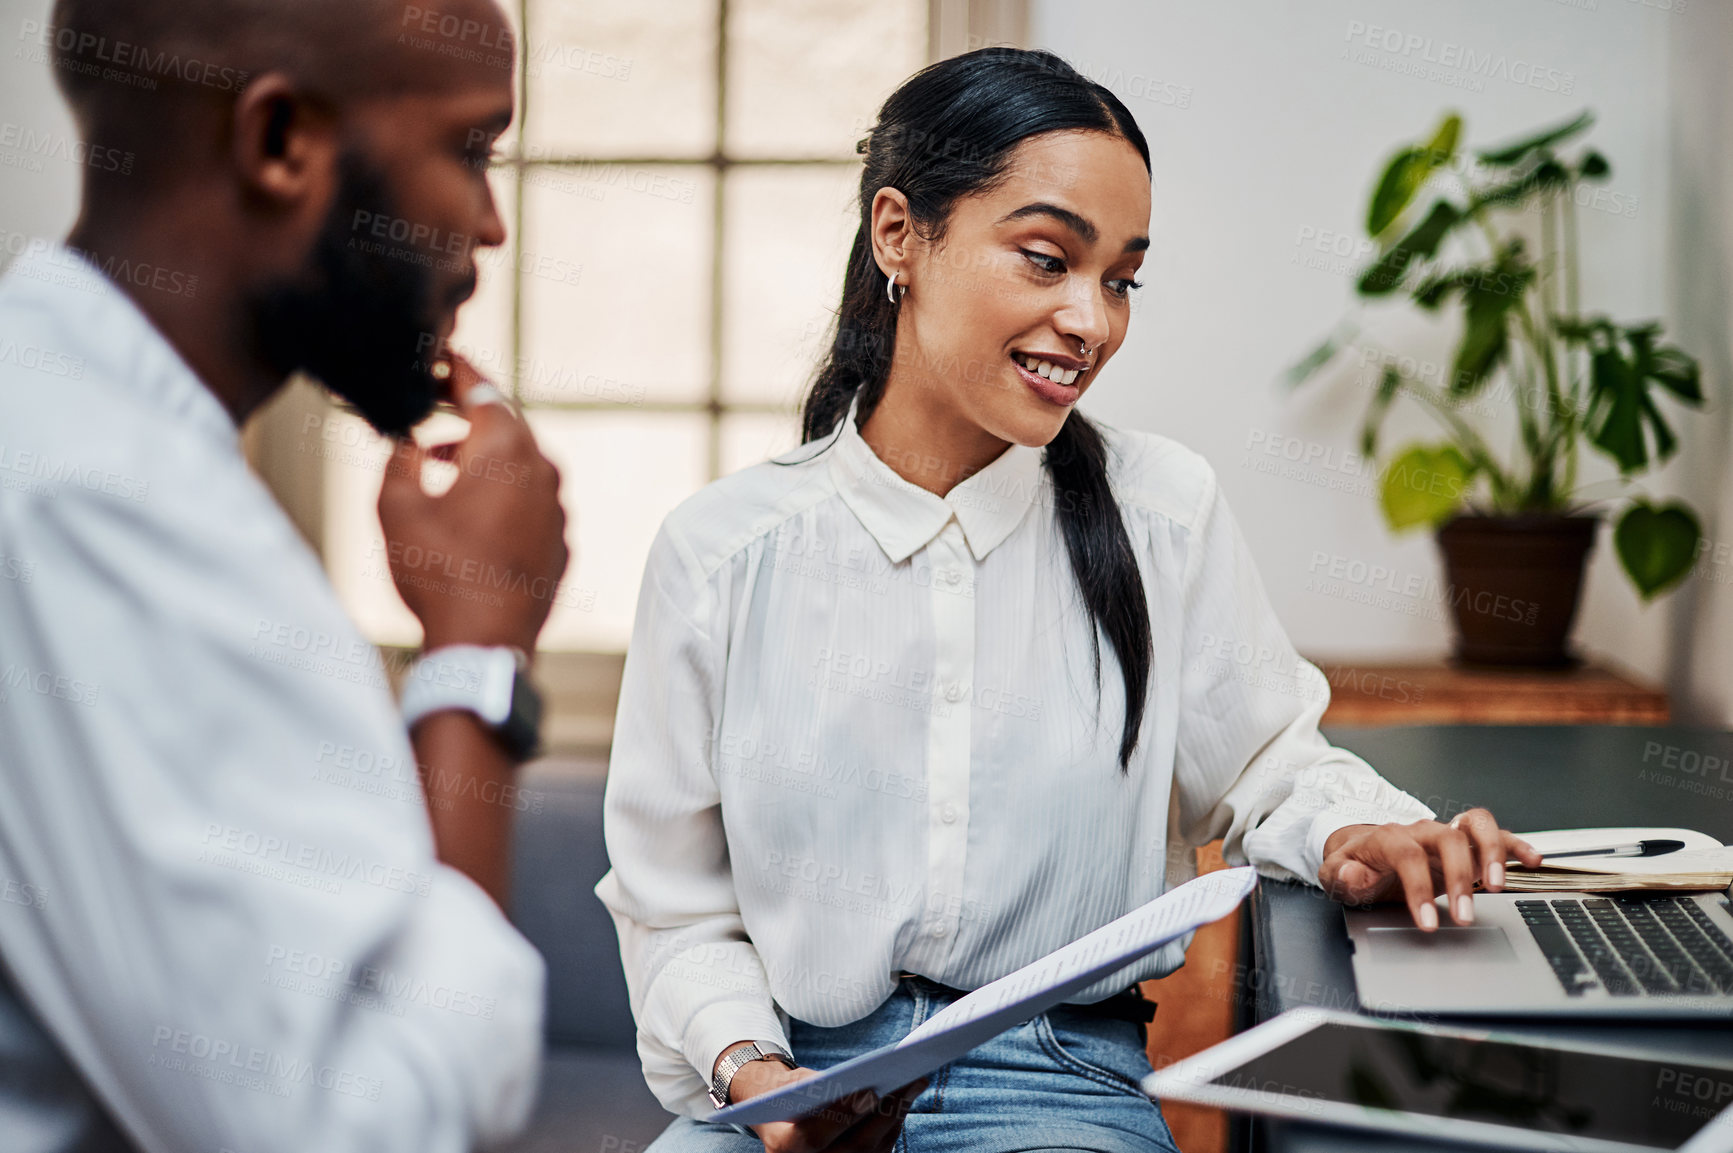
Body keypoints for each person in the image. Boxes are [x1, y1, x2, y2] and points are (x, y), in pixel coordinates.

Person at [596, 47, 1544, 1153]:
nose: (1089, 321)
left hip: (1053, 1083)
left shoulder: (1162, 512)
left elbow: (1267, 770)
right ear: (898, 233)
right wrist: (762, 1079)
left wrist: (1357, 831)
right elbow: (674, 911)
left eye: (1119, 279)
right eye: (1046, 259)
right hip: (781, 1082)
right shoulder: (720, 554)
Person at [0, 1, 570, 1150]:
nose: (491, 225)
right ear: (278, 144)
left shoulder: (88, 429)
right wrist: (475, 650)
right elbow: (354, 1129)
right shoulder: (93, 497)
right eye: (468, 151)